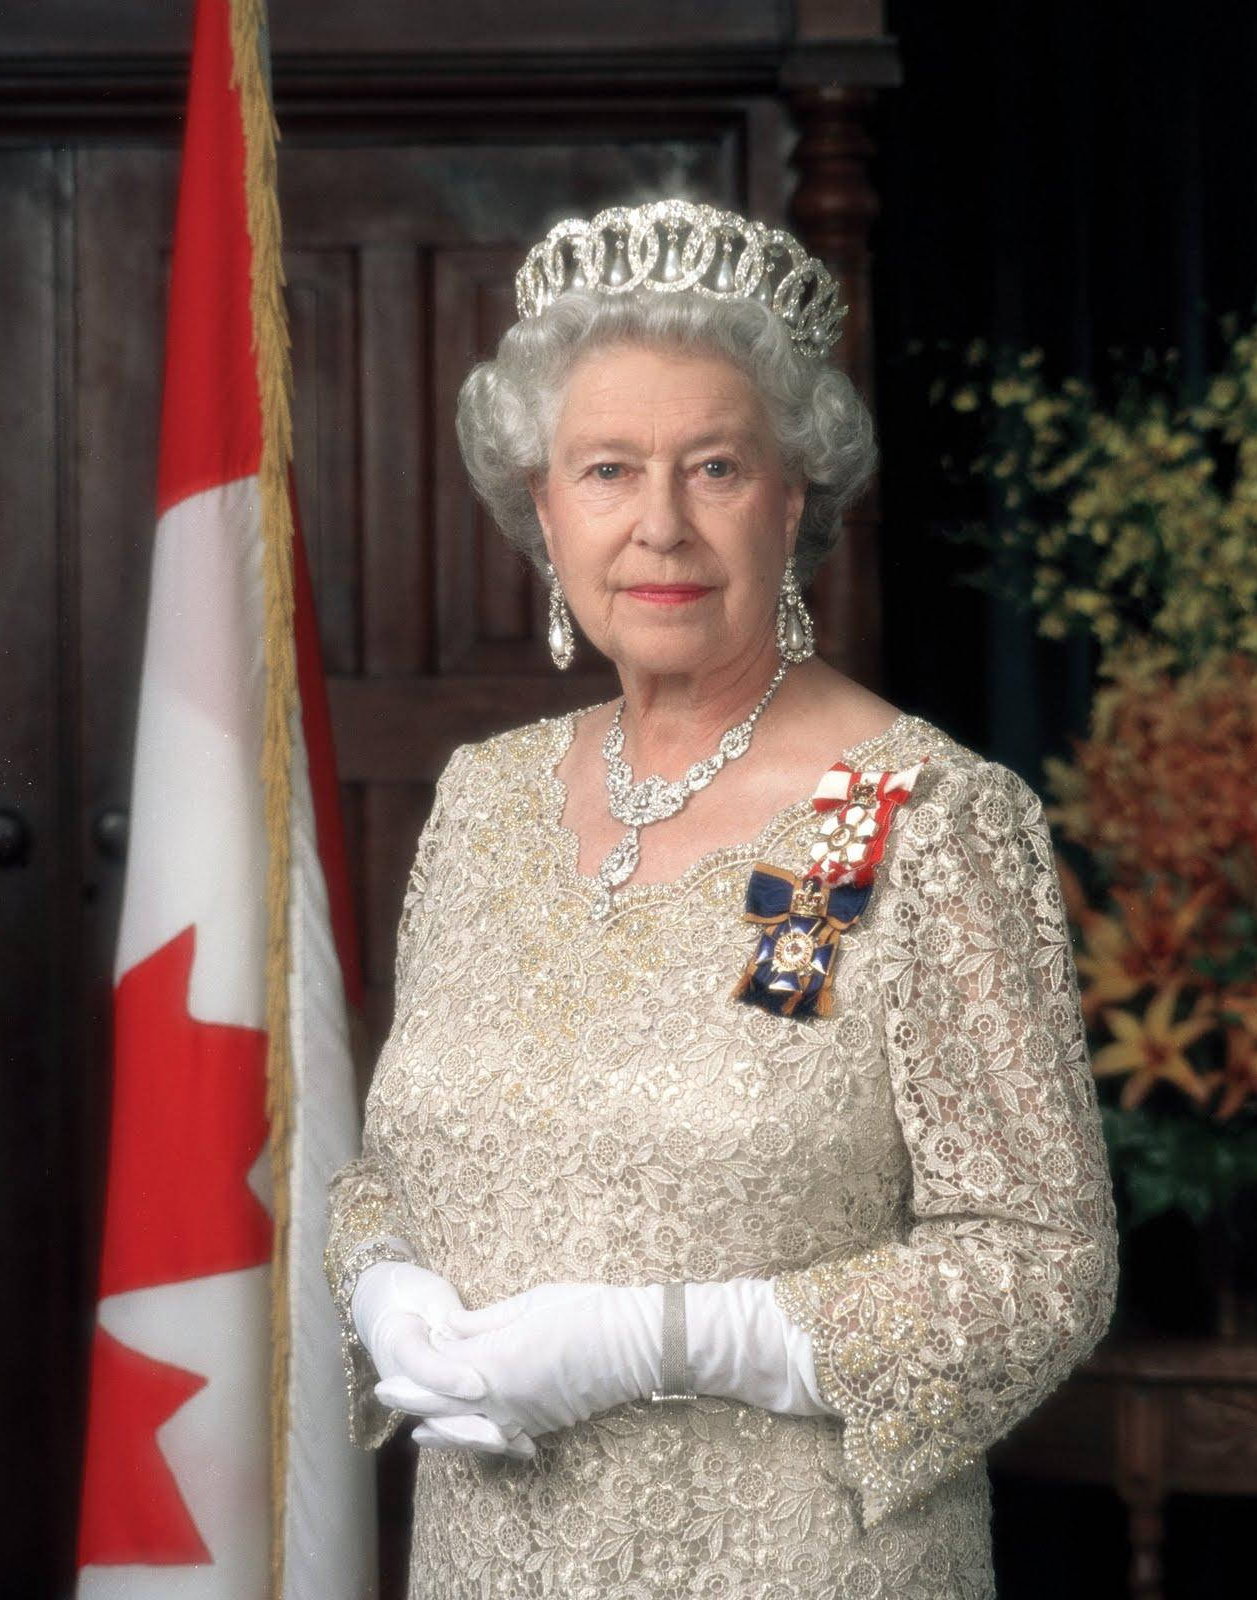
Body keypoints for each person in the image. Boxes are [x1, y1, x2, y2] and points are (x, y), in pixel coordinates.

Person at [323, 198, 1118, 1599]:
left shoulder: (920, 820)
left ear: (794, 496)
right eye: (610, 471)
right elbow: (394, 1169)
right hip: (487, 1560)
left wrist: (676, 1341)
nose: (662, 527)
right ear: (544, 510)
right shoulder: (482, 801)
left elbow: (1042, 1265)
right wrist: (381, 1280)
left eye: (716, 468)